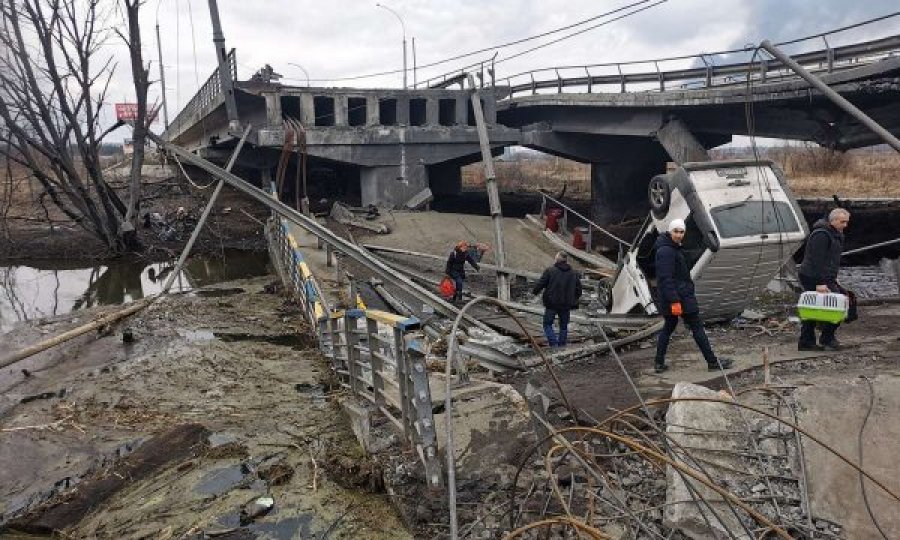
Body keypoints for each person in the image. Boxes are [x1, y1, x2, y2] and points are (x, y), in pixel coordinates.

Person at [654, 218, 733, 374]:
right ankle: (712, 362)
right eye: (676, 231)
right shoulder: (666, 251)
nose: (679, 234)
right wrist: (675, 301)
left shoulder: (673, 248)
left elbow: (683, 266)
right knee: (697, 328)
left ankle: (659, 362)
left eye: (681, 232)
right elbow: (665, 279)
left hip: (679, 296)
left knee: (668, 328)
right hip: (679, 297)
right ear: (670, 231)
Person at [798, 207, 851, 351]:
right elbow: (816, 260)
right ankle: (822, 338)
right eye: (842, 222)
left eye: (846, 222)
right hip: (812, 275)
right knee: (837, 304)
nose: (845, 225)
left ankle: (813, 340)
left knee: (839, 303)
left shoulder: (835, 234)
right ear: (833, 221)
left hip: (825, 275)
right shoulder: (821, 235)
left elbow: (832, 260)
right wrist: (819, 283)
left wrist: (834, 278)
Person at [533, 252, 582, 347]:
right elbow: (579, 289)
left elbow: (541, 284)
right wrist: (574, 298)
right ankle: (562, 346)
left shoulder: (550, 271)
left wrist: (534, 292)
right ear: (565, 260)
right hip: (566, 304)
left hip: (552, 303)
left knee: (547, 324)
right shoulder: (573, 273)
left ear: (557, 259)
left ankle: (554, 344)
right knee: (563, 326)